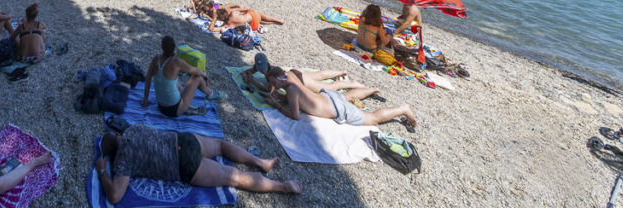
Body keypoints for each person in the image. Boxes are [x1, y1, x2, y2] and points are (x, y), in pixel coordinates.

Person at [96, 124, 299, 203]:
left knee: (235, 177)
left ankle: (282, 186)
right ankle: (261, 162)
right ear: (118, 135)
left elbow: (114, 196)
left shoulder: (122, 162)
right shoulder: (133, 129)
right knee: (221, 145)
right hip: (183, 140)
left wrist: (103, 173)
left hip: (184, 164)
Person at [263, 69, 417, 131]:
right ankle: (371, 89)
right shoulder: (291, 82)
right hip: (328, 97)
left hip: (336, 108)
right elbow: (300, 99)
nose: (274, 87)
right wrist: (281, 97)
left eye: (274, 83)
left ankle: (403, 109)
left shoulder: (290, 90)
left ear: (280, 78)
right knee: (348, 96)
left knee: (373, 119)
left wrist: (276, 105)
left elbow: (295, 116)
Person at [143, 36, 225, 117]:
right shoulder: (176, 62)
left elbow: (148, 78)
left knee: (177, 84)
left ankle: (186, 104)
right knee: (197, 78)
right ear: (174, 48)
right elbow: (195, 71)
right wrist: (204, 75)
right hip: (174, 110)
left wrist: (145, 99)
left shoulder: (156, 58)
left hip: (161, 107)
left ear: (162, 47)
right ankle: (211, 94)